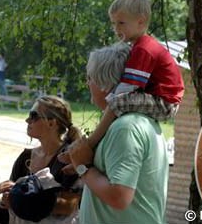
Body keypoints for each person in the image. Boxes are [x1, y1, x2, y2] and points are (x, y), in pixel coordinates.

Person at [67, 42, 169, 224]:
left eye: (89, 77)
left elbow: (120, 197)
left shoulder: (126, 128)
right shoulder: (135, 122)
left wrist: (83, 168)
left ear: (104, 83)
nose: (87, 83)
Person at [85, 0, 185, 149]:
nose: (116, 29)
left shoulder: (144, 50)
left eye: (121, 23)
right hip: (159, 98)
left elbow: (127, 88)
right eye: (113, 24)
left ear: (141, 21)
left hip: (164, 102)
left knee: (117, 102)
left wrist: (110, 99)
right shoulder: (140, 46)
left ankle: (91, 142)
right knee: (118, 101)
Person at [0, 95, 82, 224]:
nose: (27, 120)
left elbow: (71, 205)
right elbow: (9, 195)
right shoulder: (25, 157)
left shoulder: (68, 158)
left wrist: (23, 200)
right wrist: (8, 199)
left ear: (52, 123)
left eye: (34, 115)